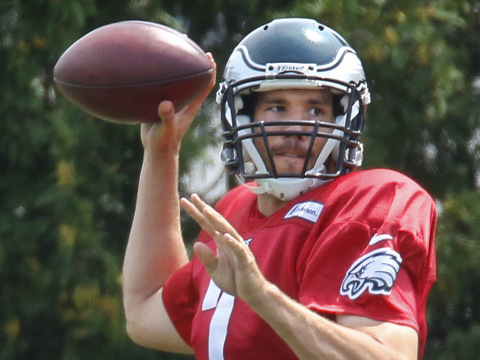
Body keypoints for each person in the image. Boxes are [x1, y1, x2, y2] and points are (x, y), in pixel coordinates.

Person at [122, 18, 437, 360]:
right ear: (243, 117)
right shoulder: (234, 212)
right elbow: (144, 312)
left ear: (344, 119)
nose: (297, 128)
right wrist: (161, 153)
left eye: (316, 109)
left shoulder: (371, 200)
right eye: (278, 107)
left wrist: (261, 296)